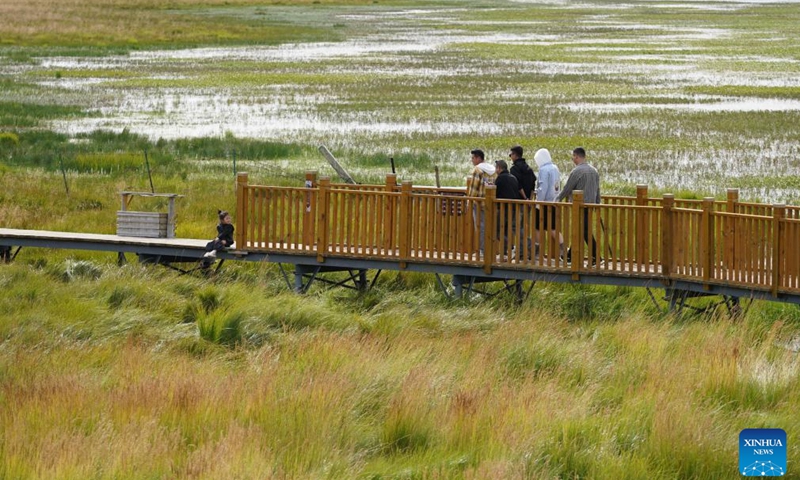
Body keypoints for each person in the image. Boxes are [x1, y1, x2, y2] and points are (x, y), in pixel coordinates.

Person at [556, 147, 600, 264]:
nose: (573, 159)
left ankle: (597, 257)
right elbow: (598, 190)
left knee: (584, 231)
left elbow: (567, 188)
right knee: (579, 230)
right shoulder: (594, 170)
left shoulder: (576, 171)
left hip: (579, 207)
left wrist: (557, 199)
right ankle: (570, 256)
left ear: (576, 156)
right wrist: (597, 204)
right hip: (590, 206)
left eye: (573, 157)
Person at [533, 148, 563, 256]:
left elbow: (543, 187)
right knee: (553, 227)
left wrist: (538, 201)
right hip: (554, 202)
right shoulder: (555, 167)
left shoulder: (544, 170)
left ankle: (537, 251)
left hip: (544, 203)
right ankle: (563, 250)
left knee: (537, 227)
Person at [466, 149, 496, 254]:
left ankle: (482, 250)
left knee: (479, 226)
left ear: (479, 158)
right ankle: (491, 249)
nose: (472, 160)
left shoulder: (477, 170)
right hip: (491, 204)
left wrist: (469, 201)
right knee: (490, 226)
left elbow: (473, 189)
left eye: (473, 158)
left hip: (479, 204)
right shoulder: (493, 170)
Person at [494, 160, 521, 259]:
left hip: (502, 208)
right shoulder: (513, 178)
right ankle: (506, 252)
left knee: (498, 231)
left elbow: (495, 193)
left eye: (496, 168)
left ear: (499, 168)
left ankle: (508, 248)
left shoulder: (500, 178)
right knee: (507, 230)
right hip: (513, 209)